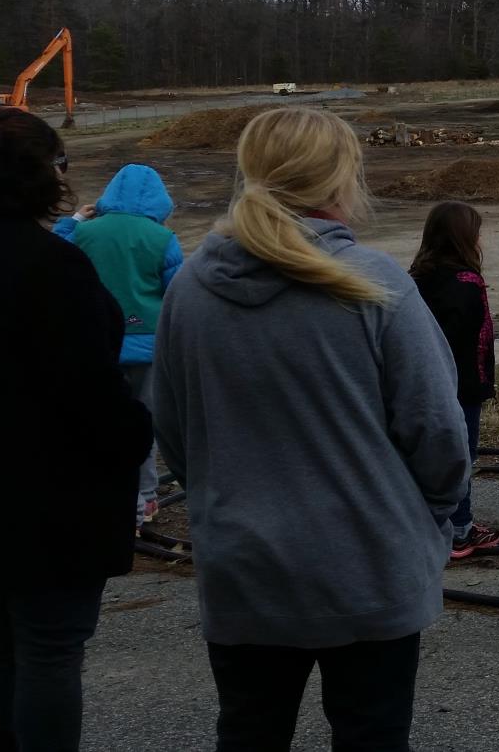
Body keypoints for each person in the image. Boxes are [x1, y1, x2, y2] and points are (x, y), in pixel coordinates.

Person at [152, 107, 468, 751]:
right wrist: (424, 520)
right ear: (342, 180)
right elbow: (438, 433)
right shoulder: (375, 285)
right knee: (373, 736)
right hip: (370, 568)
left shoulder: (190, 289)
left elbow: (176, 435)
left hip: (245, 571)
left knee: (248, 735)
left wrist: (227, 502)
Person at [0, 109, 152, 752]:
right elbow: (93, 386)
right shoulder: (54, 265)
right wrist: (134, 437)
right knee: (49, 648)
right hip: (56, 493)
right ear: (42, 176)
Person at [54, 163, 182, 533]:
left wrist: (73, 220)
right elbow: (176, 294)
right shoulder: (162, 238)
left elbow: (54, 253)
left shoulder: (87, 234)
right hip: (149, 348)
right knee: (144, 421)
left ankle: (104, 492)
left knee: (101, 420)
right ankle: (145, 497)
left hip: (99, 344)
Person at [409, 201, 499, 560]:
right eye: (477, 234)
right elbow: (475, 342)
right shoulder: (468, 284)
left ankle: (433, 525)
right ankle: (459, 531)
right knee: (462, 456)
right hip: (463, 388)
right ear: (464, 239)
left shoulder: (414, 280)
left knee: (427, 455)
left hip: (424, 385)